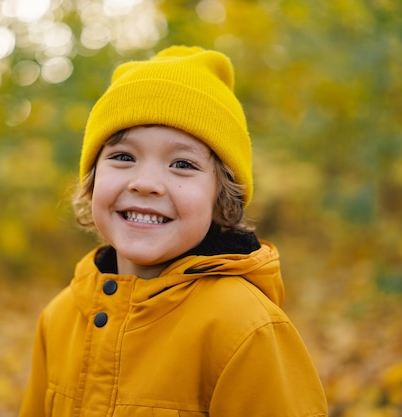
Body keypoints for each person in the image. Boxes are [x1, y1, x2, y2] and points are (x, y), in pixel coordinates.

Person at [19, 46, 328, 417]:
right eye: (123, 157)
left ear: (222, 198)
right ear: (92, 179)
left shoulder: (246, 330)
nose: (146, 183)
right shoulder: (60, 317)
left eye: (182, 164)